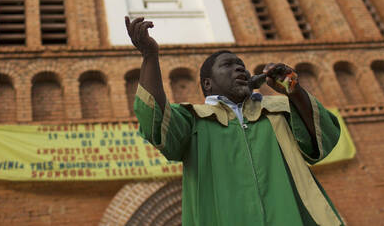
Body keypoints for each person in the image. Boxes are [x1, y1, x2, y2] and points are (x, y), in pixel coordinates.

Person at [125, 16, 345, 225]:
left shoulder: (280, 111)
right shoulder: (193, 120)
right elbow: (153, 118)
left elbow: (324, 138)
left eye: (241, 65)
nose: (240, 68)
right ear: (208, 84)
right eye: (228, 65)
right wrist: (150, 56)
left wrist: (294, 91)